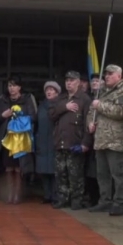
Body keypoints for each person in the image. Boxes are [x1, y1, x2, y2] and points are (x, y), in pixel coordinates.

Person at [88, 64, 123, 216]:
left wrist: (100, 106)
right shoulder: (102, 92)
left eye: (110, 74)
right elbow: (91, 110)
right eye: (105, 74)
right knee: (102, 174)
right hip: (101, 139)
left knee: (118, 173)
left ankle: (120, 202)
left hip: (116, 139)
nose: (106, 76)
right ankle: (105, 201)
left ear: (119, 76)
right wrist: (90, 121)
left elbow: (122, 112)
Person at [51, 71, 93, 210]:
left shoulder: (84, 99)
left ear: (78, 82)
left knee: (76, 175)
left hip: (75, 142)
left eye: (72, 80)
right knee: (61, 173)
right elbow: (51, 114)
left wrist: (86, 143)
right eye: (67, 80)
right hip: (60, 142)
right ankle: (63, 198)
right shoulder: (61, 98)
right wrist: (65, 107)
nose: (69, 82)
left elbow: (89, 122)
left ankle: (77, 200)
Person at [0, 75, 37, 204]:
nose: (11, 88)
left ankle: (17, 195)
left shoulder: (27, 99)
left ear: (19, 87)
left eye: (14, 85)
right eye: (9, 86)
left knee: (19, 169)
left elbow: (34, 117)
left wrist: (21, 116)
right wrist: (3, 115)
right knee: (8, 168)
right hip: (7, 139)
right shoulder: (3, 100)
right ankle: (9, 195)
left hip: (21, 139)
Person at [35, 80, 61, 205]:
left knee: (54, 171)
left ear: (57, 92)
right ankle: (47, 195)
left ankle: (55, 196)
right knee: (43, 170)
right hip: (42, 141)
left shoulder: (61, 105)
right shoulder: (41, 106)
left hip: (54, 141)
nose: (49, 92)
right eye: (47, 90)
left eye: (52, 90)